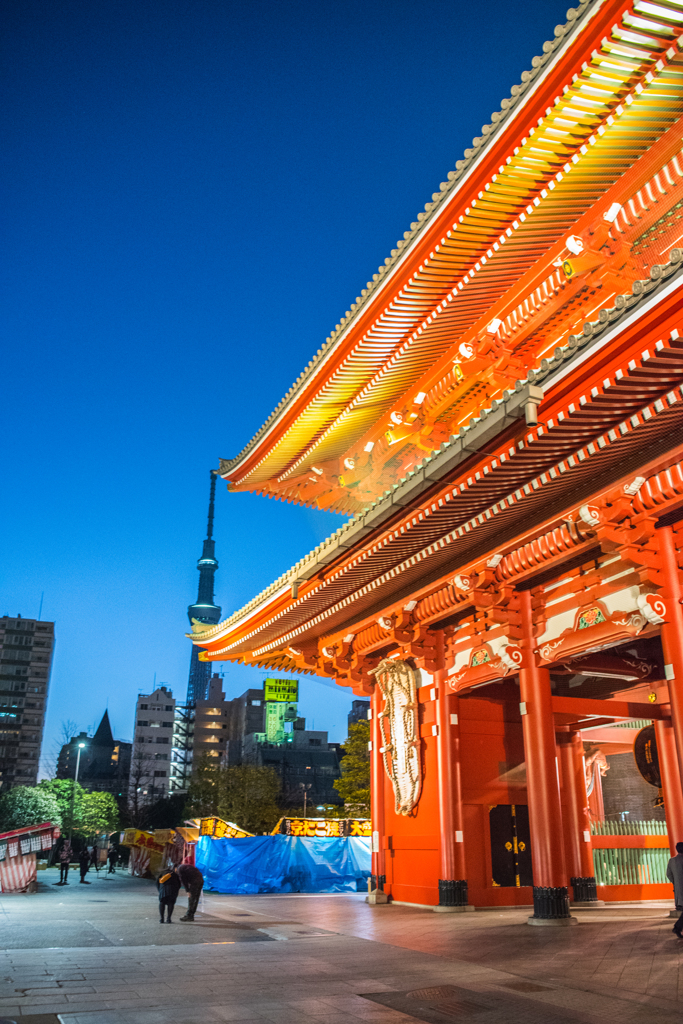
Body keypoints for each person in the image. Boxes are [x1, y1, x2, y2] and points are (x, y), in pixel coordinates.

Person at [667, 840, 683, 938]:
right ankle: (677, 927)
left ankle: (677, 927)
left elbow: (668, 874)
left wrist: (676, 883)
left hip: (679, 891)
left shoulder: (672, 861)